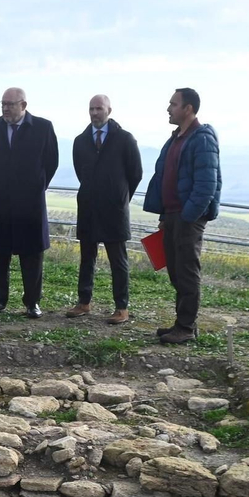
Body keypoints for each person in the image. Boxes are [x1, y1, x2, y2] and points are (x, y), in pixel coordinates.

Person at [142, 87, 222, 344]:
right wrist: (166, 214)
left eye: (173, 104)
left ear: (188, 108)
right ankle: (183, 323)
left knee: (187, 272)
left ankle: (186, 328)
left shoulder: (202, 139)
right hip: (174, 215)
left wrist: (188, 216)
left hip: (188, 218)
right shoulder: (177, 138)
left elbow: (206, 185)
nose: (168, 108)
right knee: (176, 271)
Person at [0, 86, 58, 318]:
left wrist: (36, 185)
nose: (5, 108)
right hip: (0, 199)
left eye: (10, 104)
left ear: (23, 105)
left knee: (32, 253)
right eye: (2, 103)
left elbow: (51, 161)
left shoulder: (43, 127)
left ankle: (32, 302)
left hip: (30, 201)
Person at [65, 94, 144, 325]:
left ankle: (121, 307)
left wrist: (120, 195)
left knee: (118, 260)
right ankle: (84, 302)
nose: (94, 113)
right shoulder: (80, 141)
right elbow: (81, 171)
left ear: (109, 110)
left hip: (114, 209)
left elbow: (135, 173)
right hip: (89, 206)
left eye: (99, 108)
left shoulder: (125, 139)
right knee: (86, 257)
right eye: (91, 109)